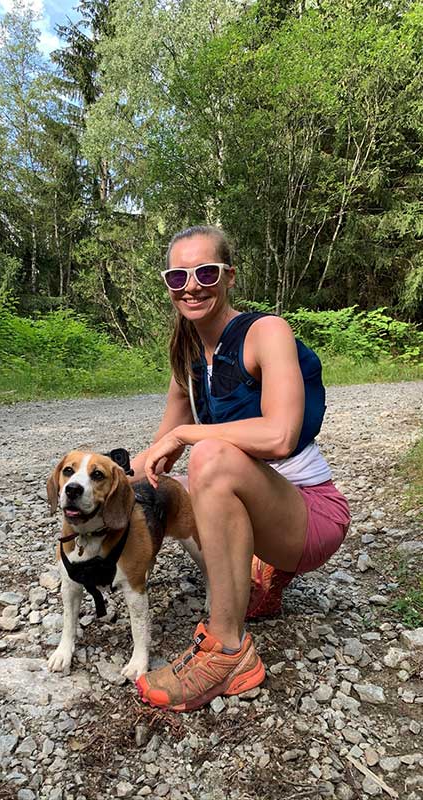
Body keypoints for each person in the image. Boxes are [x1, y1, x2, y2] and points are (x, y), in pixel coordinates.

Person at [130, 225, 351, 713]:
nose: (192, 285)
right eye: (177, 276)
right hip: (266, 505)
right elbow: (152, 457)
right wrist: (87, 477)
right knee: (172, 484)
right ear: (167, 285)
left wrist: (189, 435)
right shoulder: (186, 358)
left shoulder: (265, 332)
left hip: (310, 514)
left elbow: (279, 436)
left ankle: (229, 650)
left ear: (228, 276)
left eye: (205, 271)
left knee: (209, 460)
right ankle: (257, 578)